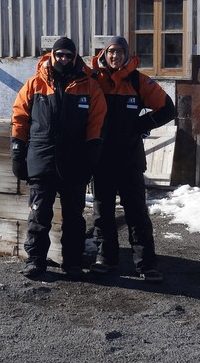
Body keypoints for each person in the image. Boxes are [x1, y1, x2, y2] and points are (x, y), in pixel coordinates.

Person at [10, 36, 106, 280]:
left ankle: (72, 262)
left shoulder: (89, 86)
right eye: (59, 54)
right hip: (41, 159)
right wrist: (18, 151)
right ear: (52, 56)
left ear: (74, 58)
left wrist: (92, 152)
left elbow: (97, 121)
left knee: (74, 216)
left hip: (74, 162)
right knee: (39, 214)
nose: (63, 59)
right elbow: (19, 118)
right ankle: (35, 261)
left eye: (68, 55)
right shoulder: (35, 84)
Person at [89, 35, 176, 283]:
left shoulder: (139, 81)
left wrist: (141, 124)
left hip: (129, 160)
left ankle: (146, 264)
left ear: (127, 55)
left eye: (119, 52)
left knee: (136, 213)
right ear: (104, 54)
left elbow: (168, 109)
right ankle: (105, 258)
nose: (115, 56)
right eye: (111, 52)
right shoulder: (95, 81)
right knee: (102, 212)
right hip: (102, 159)